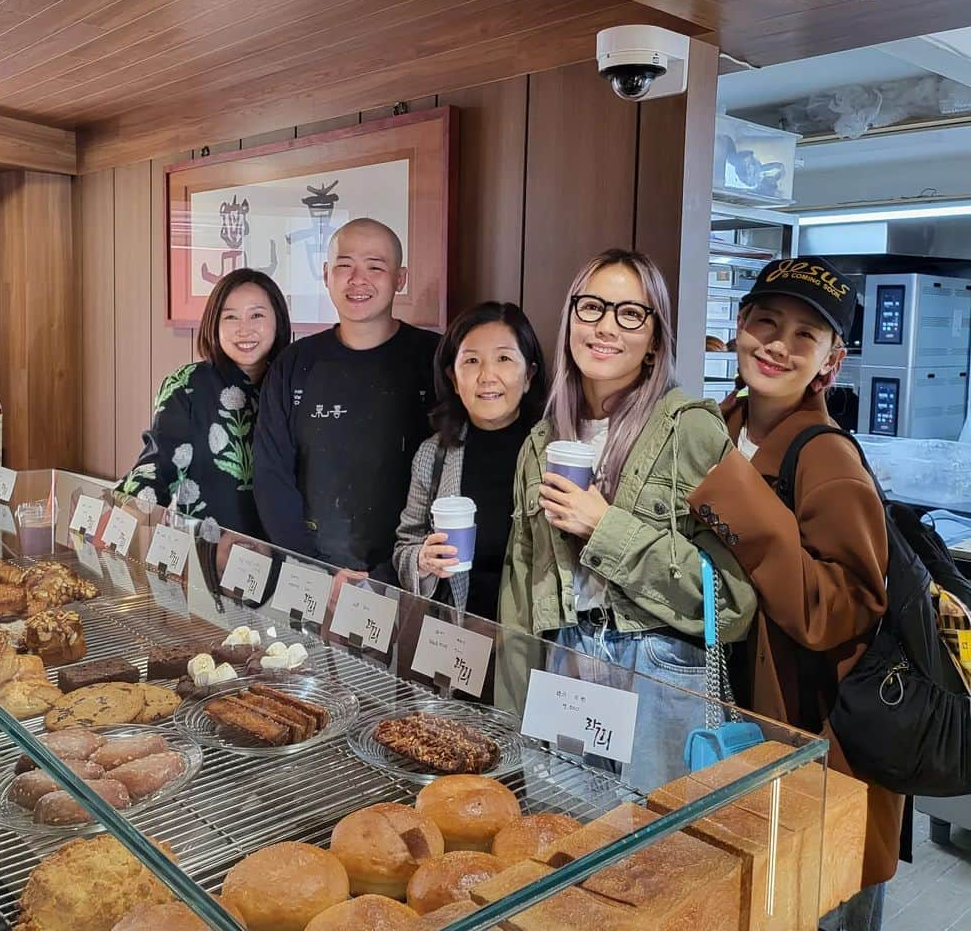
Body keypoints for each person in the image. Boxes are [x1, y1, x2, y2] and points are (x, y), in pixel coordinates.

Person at [687, 257, 900, 931]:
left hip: (816, 746)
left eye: (805, 336)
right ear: (740, 325)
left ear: (830, 362)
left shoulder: (828, 458)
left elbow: (843, 611)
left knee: (816, 906)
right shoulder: (713, 428)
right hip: (736, 726)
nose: (778, 344)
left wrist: (742, 504)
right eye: (766, 322)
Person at [499, 249, 755, 782]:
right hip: (565, 656)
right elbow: (522, 593)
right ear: (571, 317)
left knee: (654, 850)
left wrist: (605, 526)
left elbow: (732, 601)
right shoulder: (541, 443)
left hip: (658, 664)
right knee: (564, 833)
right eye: (591, 307)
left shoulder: (693, 432)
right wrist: (508, 719)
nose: (606, 327)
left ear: (655, 338)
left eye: (630, 313)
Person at [253, 218, 439, 582]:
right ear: (326, 275)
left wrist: (388, 575)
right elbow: (271, 475)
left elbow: (453, 473)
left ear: (400, 279)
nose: (358, 279)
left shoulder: (434, 360)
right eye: (344, 265)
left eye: (375, 266)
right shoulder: (295, 364)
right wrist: (312, 567)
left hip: (412, 577)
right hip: (310, 573)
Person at [394, 302, 547, 620]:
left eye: (504, 359)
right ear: (452, 376)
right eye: (472, 361)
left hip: (538, 640)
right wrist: (423, 560)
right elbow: (406, 544)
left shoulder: (552, 451)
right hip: (461, 635)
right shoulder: (434, 454)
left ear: (529, 373)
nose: (487, 376)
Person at [115, 268, 291, 540]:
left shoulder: (293, 385)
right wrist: (122, 515)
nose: (244, 329)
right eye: (230, 317)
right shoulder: (187, 386)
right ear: (214, 324)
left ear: (277, 320)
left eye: (256, 315)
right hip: (208, 553)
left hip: (289, 555)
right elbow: (158, 465)